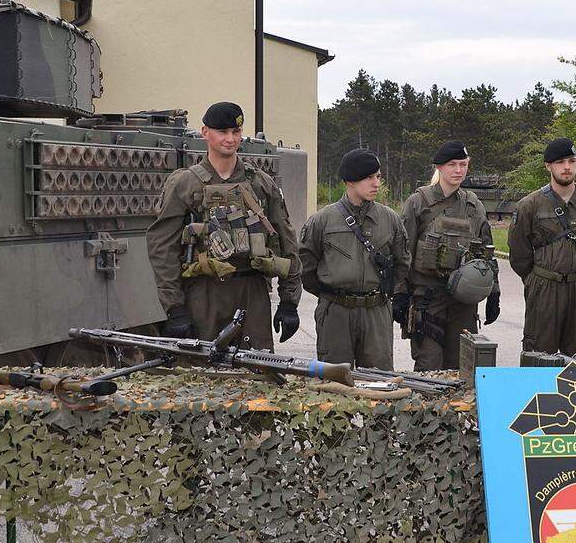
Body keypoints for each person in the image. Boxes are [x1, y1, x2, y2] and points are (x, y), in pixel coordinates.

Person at [145, 101, 301, 347]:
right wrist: (175, 307)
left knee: (257, 372)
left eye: (236, 132)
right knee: (200, 375)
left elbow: (286, 240)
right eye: (223, 132)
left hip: (252, 292)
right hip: (203, 293)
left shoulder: (261, 183)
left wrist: (289, 301)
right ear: (205, 132)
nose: (230, 139)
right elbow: (162, 248)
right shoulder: (185, 184)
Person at [298, 149, 409, 370]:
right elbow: (306, 268)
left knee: (378, 381)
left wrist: (387, 294)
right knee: (334, 383)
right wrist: (331, 295)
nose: (376, 183)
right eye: (369, 177)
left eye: (378, 176)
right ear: (350, 181)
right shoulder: (322, 221)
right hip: (336, 313)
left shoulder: (390, 220)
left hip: (376, 311)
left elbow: (402, 264)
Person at [395, 140, 500, 371]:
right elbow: (402, 253)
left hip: (464, 303)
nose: (459, 170)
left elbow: (486, 254)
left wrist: (494, 293)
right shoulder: (418, 203)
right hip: (427, 301)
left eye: (463, 165)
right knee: (429, 365)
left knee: (461, 367)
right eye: (453, 165)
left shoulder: (474, 206)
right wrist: (399, 295)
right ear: (439, 168)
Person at [507, 137, 576, 355]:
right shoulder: (530, 205)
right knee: (538, 353)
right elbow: (518, 252)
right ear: (548, 166)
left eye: (572, 161)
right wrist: (536, 280)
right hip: (544, 287)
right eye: (560, 162)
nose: (567, 167)